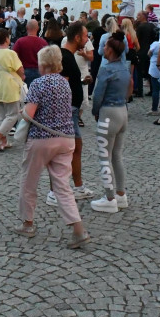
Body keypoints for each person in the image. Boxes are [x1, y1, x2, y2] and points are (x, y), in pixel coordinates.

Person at [12, 45, 91, 249]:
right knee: (62, 186)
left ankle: (27, 224)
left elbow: (29, 114)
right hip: (66, 138)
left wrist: (21, 112)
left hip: (42, 138)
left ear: (43, 64)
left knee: (29, 181)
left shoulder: (38, 84)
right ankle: (78, 231)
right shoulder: (65, 83)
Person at [48, 21, 95, 203]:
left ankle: (77, 186)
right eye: (85, 36)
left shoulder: (68, 56)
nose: (87, 39)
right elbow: (61, 84)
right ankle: (54, 192)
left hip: (71, 110)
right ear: (76, 38)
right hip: (67, 111)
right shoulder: (65, 57)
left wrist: (82, 81)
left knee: (76, 148)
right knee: (63, 151)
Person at [89, 32, 131, 213]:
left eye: (105, 46)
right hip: (122, 111)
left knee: (104, 156)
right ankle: (121, 194)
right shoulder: (124, 68)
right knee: (117, 156)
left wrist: (95, 111)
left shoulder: (106, 70)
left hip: (108, 113)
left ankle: (109, 198)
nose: (103, 49)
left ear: (111, 50)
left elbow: (98, 95)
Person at [0, 28, 25, 152]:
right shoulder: (10, 53)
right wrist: (22, 77)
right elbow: (20, 69)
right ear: (6, 39)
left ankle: (3, 141)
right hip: (9, 87)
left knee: (0, 116)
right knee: (12, 115)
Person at [13, 19, 47, 85]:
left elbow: (14, 57)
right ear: (38, 28)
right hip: (40, 72)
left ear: (26, 27)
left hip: (24, 72)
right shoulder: (43, 43)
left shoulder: (20, 42)